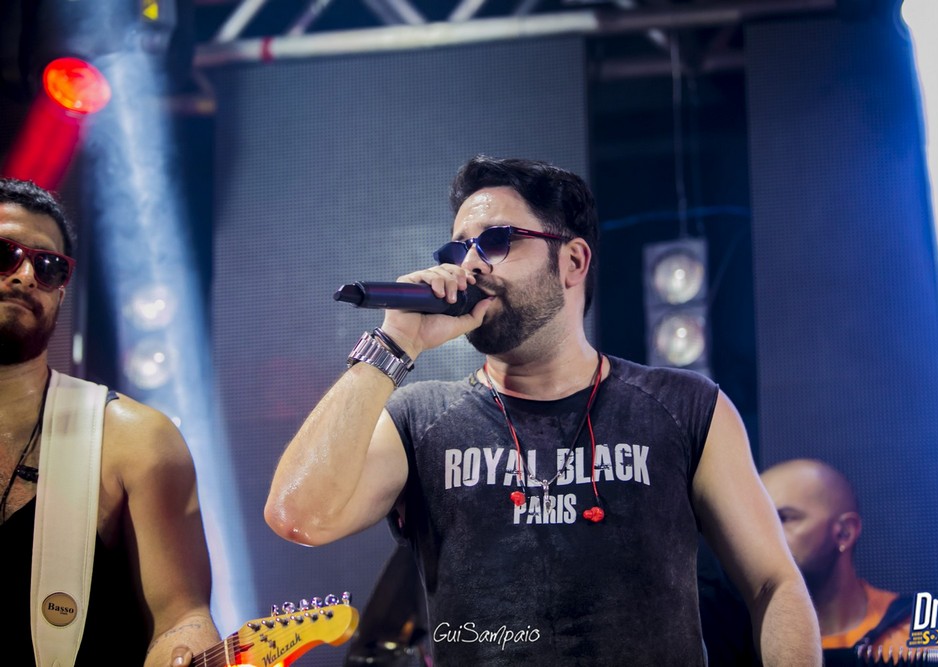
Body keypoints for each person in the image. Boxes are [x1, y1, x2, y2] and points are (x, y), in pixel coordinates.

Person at [265, 155, 821, 665]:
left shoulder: (685, 407)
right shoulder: (420, 419)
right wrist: (394, 345)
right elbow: (298, 516)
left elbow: (774, 584)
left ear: (573, 260)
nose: (470, 265)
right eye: (458, 250)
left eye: (496, 240)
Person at [0, 177, 221, 666]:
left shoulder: (135, 440)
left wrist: (186, 645)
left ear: (62, 291)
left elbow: (182, 614)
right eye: (4, 254)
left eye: (49, 266)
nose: (25, 276)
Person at [760, 458, 938, 661]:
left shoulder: (934, 630)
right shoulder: (753, 643)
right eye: (762, 521)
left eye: (783, 518)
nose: (765, 534)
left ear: (845, 532)